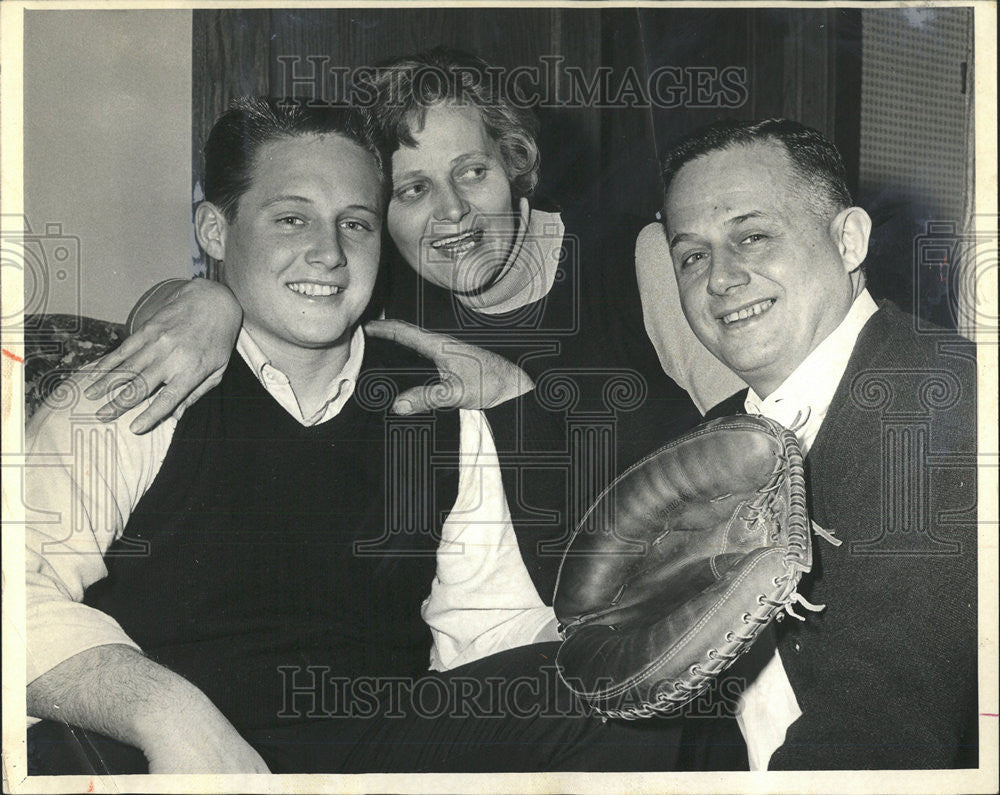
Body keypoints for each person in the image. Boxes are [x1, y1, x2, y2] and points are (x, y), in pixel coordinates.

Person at [26, 97, 745, 775]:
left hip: (374, 744)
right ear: (215, 230)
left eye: (355, 223)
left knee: (608, 696)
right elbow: (13, 593)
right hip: (163, 749)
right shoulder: (142, 383)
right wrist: (171, 717)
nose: (329, 253)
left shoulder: (434, 398)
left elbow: (490, 629)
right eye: (290, 219)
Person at [84, 47, 701, 603]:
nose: (453, 210)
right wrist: (200, 297)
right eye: (413, 190)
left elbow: (760, 447)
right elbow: (238, 302)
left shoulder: (637, 260)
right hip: (543, 631)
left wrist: (519, 399)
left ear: (514, 165)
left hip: (696, 598)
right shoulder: (381, 310)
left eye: (473, 172)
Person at [660, 118, 978, 769]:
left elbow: (884, 732)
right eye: (692, 255)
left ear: (849, 239)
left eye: (752, 236)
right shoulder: (711, 439)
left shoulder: (947, 405)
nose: (719, 279)